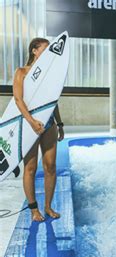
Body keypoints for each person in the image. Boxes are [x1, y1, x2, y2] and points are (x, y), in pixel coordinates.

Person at [13, 38, 65, 222]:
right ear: (34, 51)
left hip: (49, 123)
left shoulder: (49, 75)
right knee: (31, 167)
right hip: (29, 124)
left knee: (50, 166)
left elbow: (53, 102)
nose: (49, 51)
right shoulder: (22, 72)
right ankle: (34, 209)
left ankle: (48, 206)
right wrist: (32, 122)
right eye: (45, 48)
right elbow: (18, 100)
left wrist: (59, 124)